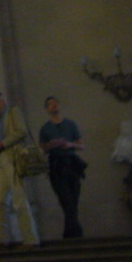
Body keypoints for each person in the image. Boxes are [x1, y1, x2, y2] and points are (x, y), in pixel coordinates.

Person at [0, 91, 40, 248]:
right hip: (3, 160)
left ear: (3, 100)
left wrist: (2, 144)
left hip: (13, 158)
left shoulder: (13, 112)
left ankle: (30, 239)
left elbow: (21, 131)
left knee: (18, 197)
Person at [39, 96, 86, 238]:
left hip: (71, 163)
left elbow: (81, 145)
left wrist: (70, 145)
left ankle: (70, 233)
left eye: (55, 103)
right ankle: (75, 233)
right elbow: (42, 149)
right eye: (50, 104)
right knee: (66, 199)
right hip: (56, 165)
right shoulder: (45, 129)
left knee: (73, 199)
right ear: (47, 109)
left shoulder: (70, 124)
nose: (54, 106)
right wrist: (51, 145)